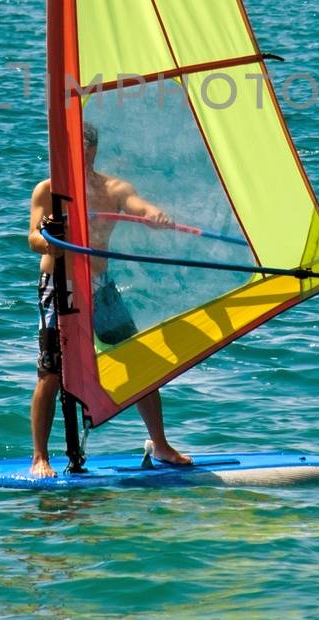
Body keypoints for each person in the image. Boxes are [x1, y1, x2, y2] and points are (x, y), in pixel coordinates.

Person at [27, 123, 191, 478]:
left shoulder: (113, 189)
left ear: (94, 149)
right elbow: (33, 239)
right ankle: (40, 457)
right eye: (74, 146)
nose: (81, 153)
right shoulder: (48, 190)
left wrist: (153, 215)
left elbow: (138, 205)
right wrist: (50, 239)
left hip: (101, 286)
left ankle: (160, 445)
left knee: (140, 361)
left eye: (87, 146)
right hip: (60, 284)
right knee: (51, 374)